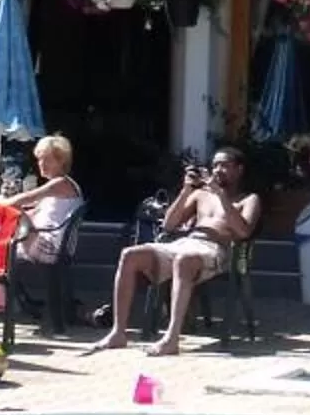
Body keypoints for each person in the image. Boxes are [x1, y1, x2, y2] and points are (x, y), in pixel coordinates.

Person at [82, 148, 258, 357]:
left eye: (225, 165)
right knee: (130, 255)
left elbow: (243, 231)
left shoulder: (248, 199)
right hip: (186, 242)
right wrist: (186, 190)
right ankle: (118, 332)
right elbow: (169, 224)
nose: (218, 170)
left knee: (184, 260)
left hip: (218, 249)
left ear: (239, 170)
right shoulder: (201, 195)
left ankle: (171, 338)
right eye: (215, 165)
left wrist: (220, 196)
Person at [9, 134, 86, 336]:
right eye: (39, 158)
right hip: (52, 244)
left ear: (61, 161)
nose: (41, 164)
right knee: (4, 236)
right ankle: (19, 299)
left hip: (49, 247)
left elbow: (25, 199)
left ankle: (10, 301)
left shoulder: (59, 184)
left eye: (47, 159)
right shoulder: (60, 185)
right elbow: (35, 208)